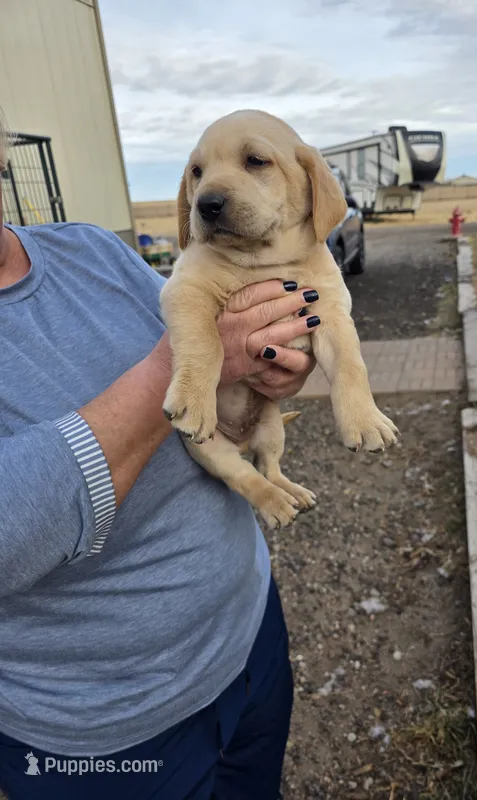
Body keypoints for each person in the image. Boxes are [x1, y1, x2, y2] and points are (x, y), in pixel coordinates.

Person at [0, 115, 319, 799]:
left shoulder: (89, 249)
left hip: (247, 635)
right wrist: (179, 370)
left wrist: (266, 369)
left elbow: (219, 363)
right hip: (104, 731)